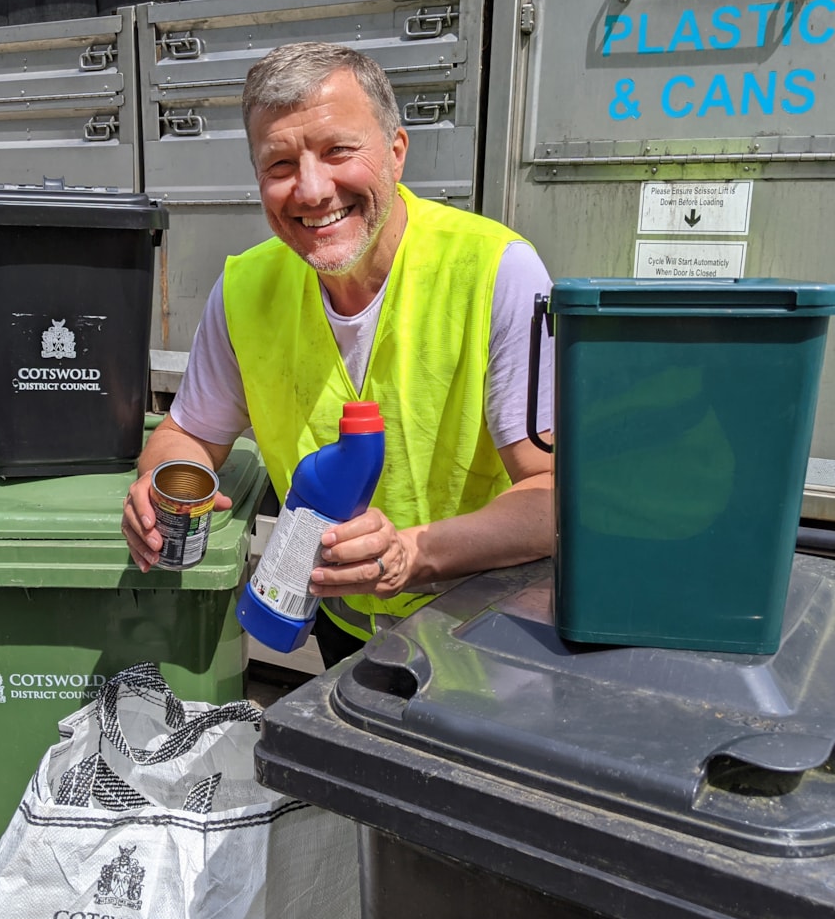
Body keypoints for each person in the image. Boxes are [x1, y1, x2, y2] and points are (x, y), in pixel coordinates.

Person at [123, 41, 555, 668]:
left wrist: (412, 552)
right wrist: (161, 486)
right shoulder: (246, 289)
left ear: (397, 152)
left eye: (338, 151)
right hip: (344, 630)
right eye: (279, 165)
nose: (312, 189)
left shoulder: (497, 271)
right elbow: (187, 434)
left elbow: (550, 498)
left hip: (482, 629)